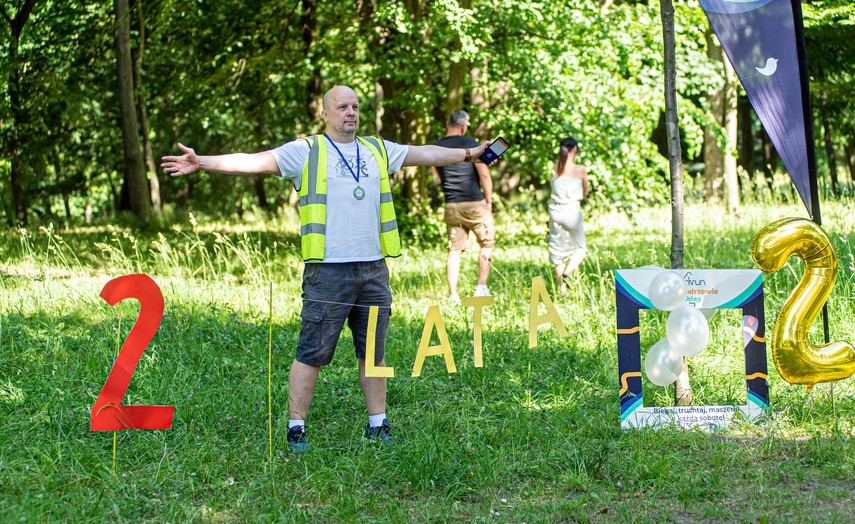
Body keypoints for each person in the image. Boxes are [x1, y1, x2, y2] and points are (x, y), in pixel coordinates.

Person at [161, 85, 493, 452]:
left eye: (355, 106)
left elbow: (427, 153)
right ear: (325, 114)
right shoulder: (306, 151)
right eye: (342, 107)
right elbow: (254, 160)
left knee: (373, 353)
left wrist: (469, 153)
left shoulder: (377, 149)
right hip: (328, 272)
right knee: (312, 352)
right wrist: (203, 161)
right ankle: (296, 427)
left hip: (373, 268)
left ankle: (378, 423)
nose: (350, 112)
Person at [433, 110, 494, 304]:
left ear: (446, 123)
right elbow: (484, 174)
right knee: (486, 243)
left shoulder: (436, 146)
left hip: (452, 204)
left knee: (454, 249)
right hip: (474, 202)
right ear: (463, 126)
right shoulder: (471, 143)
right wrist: (488, 200)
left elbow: (437, 174)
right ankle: (481, 288)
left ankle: (453, 295)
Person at [547, 137, 590, 296]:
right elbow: (586, 192)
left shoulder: (555, 168)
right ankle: (569, 271)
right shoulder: (580, 169)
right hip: (572, 212)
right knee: (580, 248)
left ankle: (562, 290)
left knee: (557, 253)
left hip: (555, 212)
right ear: (575, 150)